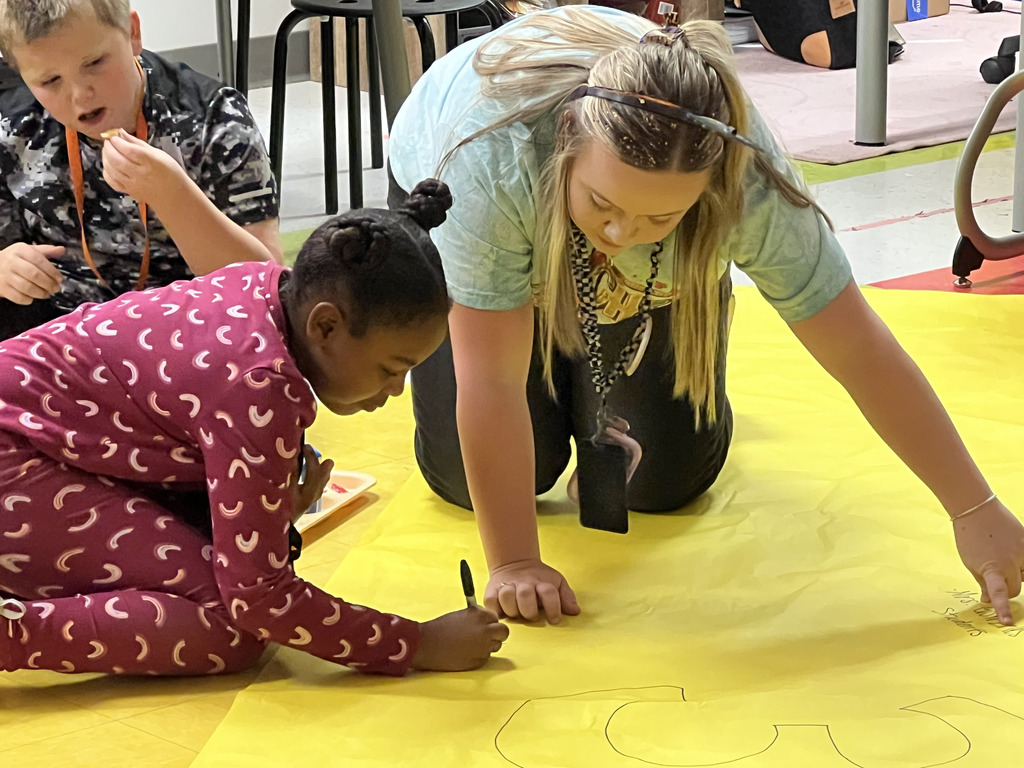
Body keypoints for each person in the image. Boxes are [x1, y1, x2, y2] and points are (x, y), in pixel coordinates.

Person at [387, 5, 1024, 627]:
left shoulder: (750, 183)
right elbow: (489, 381)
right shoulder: (492, 162)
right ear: (567, 151)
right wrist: (515, 562)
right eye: (602, 202)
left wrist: (975, 506)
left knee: (663, 481)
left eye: (659, 217)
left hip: (630, 246)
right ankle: (557, 351)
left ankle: (626, 328)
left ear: (712, 190)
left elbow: (858, 348)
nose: (620, 230)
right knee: (468, 482)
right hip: (460, 173)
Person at [0, 179, 510, 678]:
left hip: (44, 450)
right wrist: (415, 644)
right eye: (390, 368)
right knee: (228, 633)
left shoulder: (268, 288)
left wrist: (274, 522)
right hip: (13, 459)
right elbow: (259, 598)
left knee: (209, 582)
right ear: (325, 326)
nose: (397, 390)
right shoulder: (258, 383)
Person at [0, 0, 281, 341]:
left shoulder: (214, 118)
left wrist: (173, 195)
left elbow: (263, 288)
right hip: (59, 328)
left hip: (186, 325)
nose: (80, 94)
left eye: (95, 63)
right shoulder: (11, 124)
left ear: (133, 33)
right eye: (50, 80)